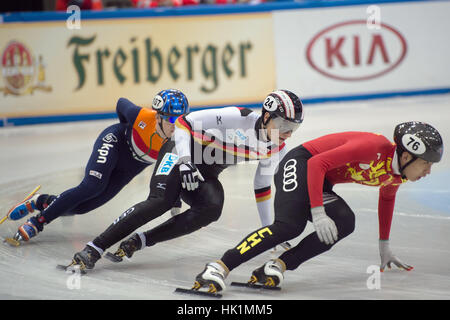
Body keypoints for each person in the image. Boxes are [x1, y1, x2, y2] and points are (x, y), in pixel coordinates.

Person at [64, 89, 304, 270]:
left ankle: (141, 240)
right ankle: (94, 248)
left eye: (293, 128)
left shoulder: (277, 149)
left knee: (212, 209)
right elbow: (182, 123)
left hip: (203, 174)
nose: (287, 133)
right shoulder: (235, 117)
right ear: (266, 116)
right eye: (283, 124)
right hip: (179, 152)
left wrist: (268, 231)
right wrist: (186, 161)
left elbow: (262, 187)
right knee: (160, 201)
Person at [193, 121, 444, 293]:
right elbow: (317, 164)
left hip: (320, 180)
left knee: (345, 222)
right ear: (406, 155)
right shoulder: (373, 147)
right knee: (290, 226)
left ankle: (277, 266)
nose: (428, 171)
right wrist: (318, 212)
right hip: (301, 162)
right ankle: (219, 266)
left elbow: (387, 199)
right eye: (426, 164)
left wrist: (384, 246)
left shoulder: (396, 175)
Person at [7, 89, 189, 244]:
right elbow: (121, 103)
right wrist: (125, 129)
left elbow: (175, 168)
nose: (176, 126)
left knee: (82, 207)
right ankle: (37, 222)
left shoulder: (181, 138)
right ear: (157, 117)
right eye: (171, 121)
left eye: (180, 120)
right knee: (92, 185)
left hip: (129, 168)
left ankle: (40, 201)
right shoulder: (142, 117)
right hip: (116, 143)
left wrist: (175, 199)